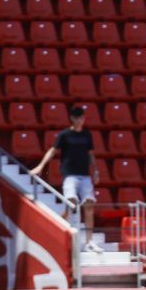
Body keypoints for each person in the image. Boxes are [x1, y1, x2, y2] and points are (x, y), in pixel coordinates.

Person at [29, 104, 101, 249]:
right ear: (72, 119)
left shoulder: (87, 135)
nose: (80, 120)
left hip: (85, 175)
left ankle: (89, 241)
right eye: (77, 118)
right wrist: (40, 166)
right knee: (71, 202)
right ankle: (59, 227)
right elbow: (53, 151)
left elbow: (91, 154)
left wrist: (96, 170)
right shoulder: (65, 135)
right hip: (70, 175)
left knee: (89, 205)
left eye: (81, 117)